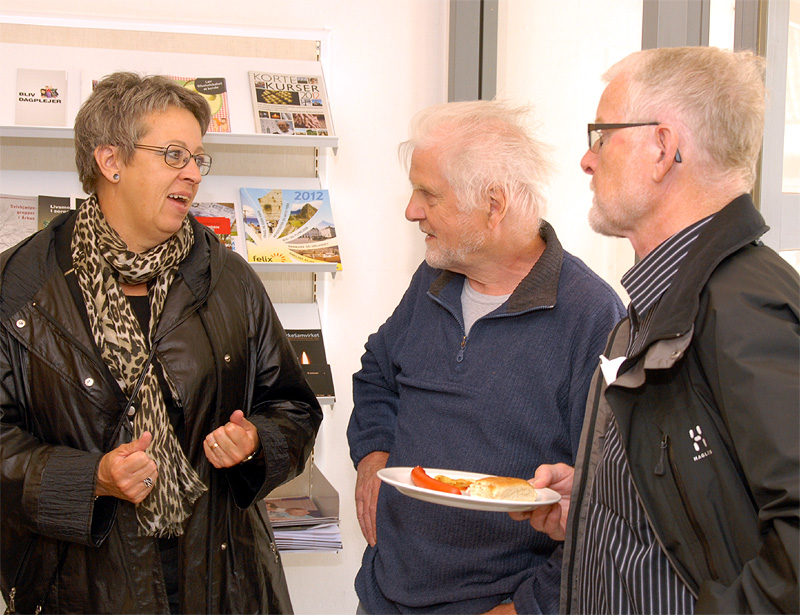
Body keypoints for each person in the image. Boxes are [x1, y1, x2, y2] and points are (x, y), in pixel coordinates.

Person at [0, 72, 323, 614]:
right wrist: (90, 479)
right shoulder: (19, 287)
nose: (192, 173)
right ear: (111, 161)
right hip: (80, 589)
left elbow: (293, 408)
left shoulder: (229, 279)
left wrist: (254, 443)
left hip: (223, 583)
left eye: (198, 158)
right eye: (174, 155)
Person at [514, 46, 799, 614]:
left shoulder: (743, 306)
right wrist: (597, 503)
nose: (586, 160)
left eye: (601, 136)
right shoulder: (655, 311)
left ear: (663, 149)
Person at [346, 100, 625, 614]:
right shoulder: (432, 280)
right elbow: (377, 375)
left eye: (429, 194)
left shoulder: (592, 317)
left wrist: (526, 610)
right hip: (384, 597)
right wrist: (373, 457)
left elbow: (608, 506)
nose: (411, 210)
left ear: (493, 205)